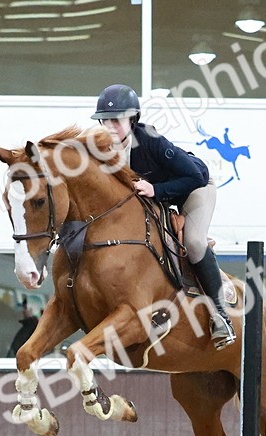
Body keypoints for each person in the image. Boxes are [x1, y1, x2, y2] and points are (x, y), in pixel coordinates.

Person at [90, 84, 236, 350]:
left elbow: (194, 176)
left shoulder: (149, 140)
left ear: (132, 119)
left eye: (116, 120)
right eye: (105, 120)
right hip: (159, 200)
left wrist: (156, 189)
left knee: (193, 242)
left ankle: (220, 317)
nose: (110, 126)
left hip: (194, 190)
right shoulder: (102, 151)